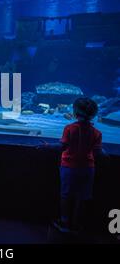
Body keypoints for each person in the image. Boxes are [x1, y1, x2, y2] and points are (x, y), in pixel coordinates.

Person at [39, 97, 106, 234]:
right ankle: (76, 223)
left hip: (69, 167)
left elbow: (61, 146)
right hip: (88, 168)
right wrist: (106, 155)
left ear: (75, 112)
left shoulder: (70, 128)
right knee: (82, 197)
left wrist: (47, 146)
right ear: (94, 114)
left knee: (65, 195)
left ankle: (64, 222)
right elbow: (98, 151)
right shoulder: (97, 133)